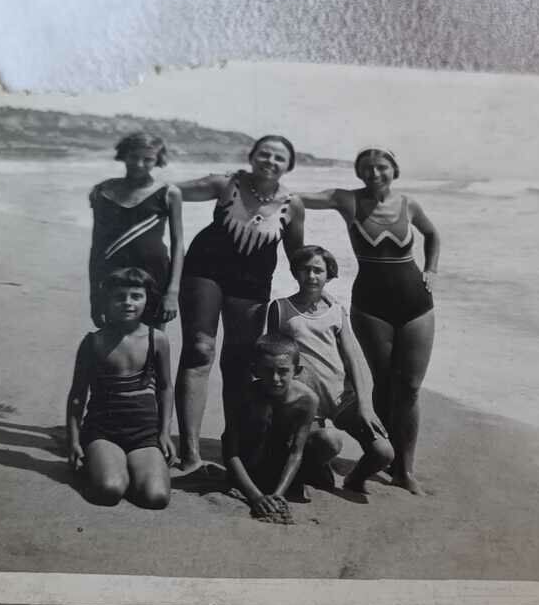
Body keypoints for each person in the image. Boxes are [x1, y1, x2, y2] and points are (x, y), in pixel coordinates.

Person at [297, 148, 440, 495]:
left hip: (417, 305)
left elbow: (433, 235)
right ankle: (382, 454)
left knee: (409, 388)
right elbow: (296, 199)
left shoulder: (410, 205)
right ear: (359, 173)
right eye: (367, 168)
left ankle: (404, 470)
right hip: (371, 305)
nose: (374, 173)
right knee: (382, 384)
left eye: (382, 167)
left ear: (395, 169)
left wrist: (432, 270)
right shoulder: (347, 200)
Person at [171, 135, 306, 474]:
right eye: (264, 154)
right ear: (251, 156)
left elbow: (296, 256)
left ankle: (235, 451)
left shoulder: (294, 205)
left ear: (288, 165)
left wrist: (312, 297)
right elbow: (169, 192)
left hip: (253, 283)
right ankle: (190, 454)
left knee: (240, 364)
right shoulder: (226, 183)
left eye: (279, 158)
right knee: (199, 351)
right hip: (205, 270)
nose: (270, 161)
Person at [267, 245, 395, 494]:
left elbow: (354, 360)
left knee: (384, 452)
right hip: (304, 401)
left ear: (329, 275)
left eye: (318, 270)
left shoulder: (336, 310)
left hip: (340, 398)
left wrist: (365, 406)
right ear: (295, 272)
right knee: (329, 442)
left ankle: (354, 479)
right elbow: (273, 356)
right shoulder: (280, 308)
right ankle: (315, 466)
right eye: (305, 270)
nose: (311, 276)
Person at [66, 268, 173, 509]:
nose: (128, 302)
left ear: (147, 300)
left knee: (156, 497)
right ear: (107, 301)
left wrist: (164, 432)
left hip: (144, 435)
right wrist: (73, 440)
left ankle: (131, 468)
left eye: (136, 296)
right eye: (119, 297)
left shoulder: (158, 340)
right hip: (103, 432)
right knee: (110, 490)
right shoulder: (93, 342)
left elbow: (165, 389)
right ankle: (106, 467)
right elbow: (77, 396)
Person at [223, 333, 343, 519]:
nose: (275, 378)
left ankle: (305, 480)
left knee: (329, 438)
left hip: (283, 461)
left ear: (297, 370)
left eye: (283, 371)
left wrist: (278, 495)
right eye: (268, 370)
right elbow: (231, 452)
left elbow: (296, 452)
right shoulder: (243, 396)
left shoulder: (307, 399)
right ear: (255, 370)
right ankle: (261, 486)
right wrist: (255, 497)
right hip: (254, 464)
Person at [88, 132, 184, 328]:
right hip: (112, 273)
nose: (139, 164)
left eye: (148, 159)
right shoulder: (102, 191)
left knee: (153, 341)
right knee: (112, 340)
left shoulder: (169, 193)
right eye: (133, 157)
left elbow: (178, 244)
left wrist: (173, 291)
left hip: (155, 275)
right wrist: (94, 295)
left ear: (158, 160)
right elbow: (96, 245)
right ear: (123, 155)